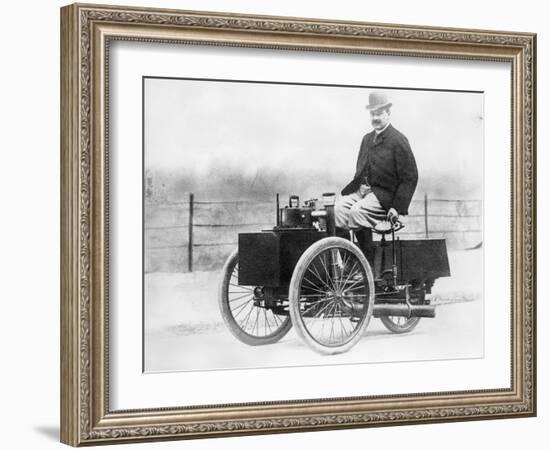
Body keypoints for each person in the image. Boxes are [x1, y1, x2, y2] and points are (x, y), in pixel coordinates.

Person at [335, 91, 418, 265]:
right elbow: (360, 170)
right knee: (339, 210)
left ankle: (367, 264)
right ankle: (350, 264)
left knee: (357, 212)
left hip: (384, 196)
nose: (375, 118)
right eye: (372, 114)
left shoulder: (398, 140)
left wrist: (397, 207)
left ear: (388, 113)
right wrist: (358, 189)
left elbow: (410, 177)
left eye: (379, 113)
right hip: (363, 192)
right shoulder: (367, 139)